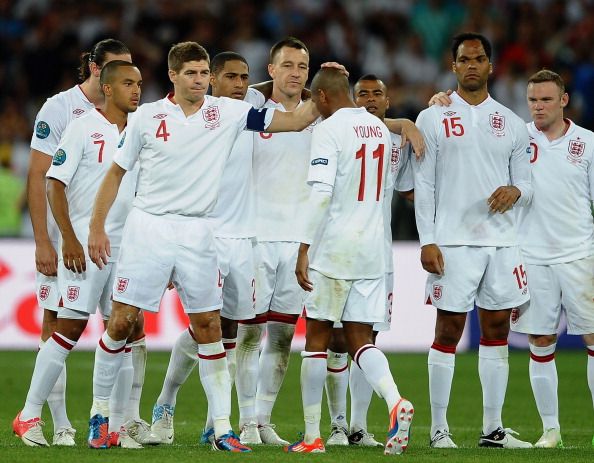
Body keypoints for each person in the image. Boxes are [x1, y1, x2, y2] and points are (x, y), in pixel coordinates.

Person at [86, 41, 318, 452]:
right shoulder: (146, 117)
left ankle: (224, 430)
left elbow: (296, 121)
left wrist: (328, 92)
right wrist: (97, 229)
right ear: (173, 75)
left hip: (199, 233)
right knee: (120, 322)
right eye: (190, 73)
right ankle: (100, 417)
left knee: (210, 328)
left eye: (203, 73)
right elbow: (115, 174)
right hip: (149, 229)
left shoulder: (228, 113)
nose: (198, 80)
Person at [19, 38, 154, 447]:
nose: (137, 90)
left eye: (140, 82)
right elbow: (52, 184)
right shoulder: (78, 124)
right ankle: (30, 415)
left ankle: (116, 425)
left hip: (126, 249)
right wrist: (67, 240)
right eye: (129, 82)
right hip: (82, 248)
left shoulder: (141, 131)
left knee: (125, 329)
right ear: (105, 81)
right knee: (68, 327)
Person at [414, 32, 533, 449]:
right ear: (453, 66)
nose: (471, 65)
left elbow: (528, 184)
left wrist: (516, 192)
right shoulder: (433, 118)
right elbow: (423, 183)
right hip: (453, 242)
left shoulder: (513, 123)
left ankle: (492, 430)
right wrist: (427, 239)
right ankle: (439, 429)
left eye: (478, 59)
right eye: (463, 59)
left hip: (501, 243)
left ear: (490, 65)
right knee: (448, 329)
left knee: (497, 329)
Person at [290, 67, 414, 455]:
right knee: (361, 339)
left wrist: (304, 246)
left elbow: (322, 193)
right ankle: (395, 401)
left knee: (317, 340)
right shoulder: (379, 128)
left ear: (323, 97)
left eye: (314, 100)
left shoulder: (330, 129)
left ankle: (312, 437)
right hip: (374, 249)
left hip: (336, 248)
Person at [150, 51, 262, 445]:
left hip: (244, 236)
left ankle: (213, 421)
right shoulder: (195, 114)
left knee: (226, 330)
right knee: (208, 328)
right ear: (211, 79)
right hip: (203, 234)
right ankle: (172, 405)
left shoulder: (251, 108)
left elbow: (281, 91)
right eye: (230, 77)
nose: (239, 84)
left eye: (245, 78)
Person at [510, 70, 594, 448]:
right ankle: (550, 430)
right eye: (532, 100)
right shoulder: (517, 138)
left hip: (581, 254)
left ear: (563, 100)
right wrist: (440, 103)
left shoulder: (588, 144)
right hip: (532, 256)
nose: (538, 107)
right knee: (540, 341)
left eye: (545, 99)